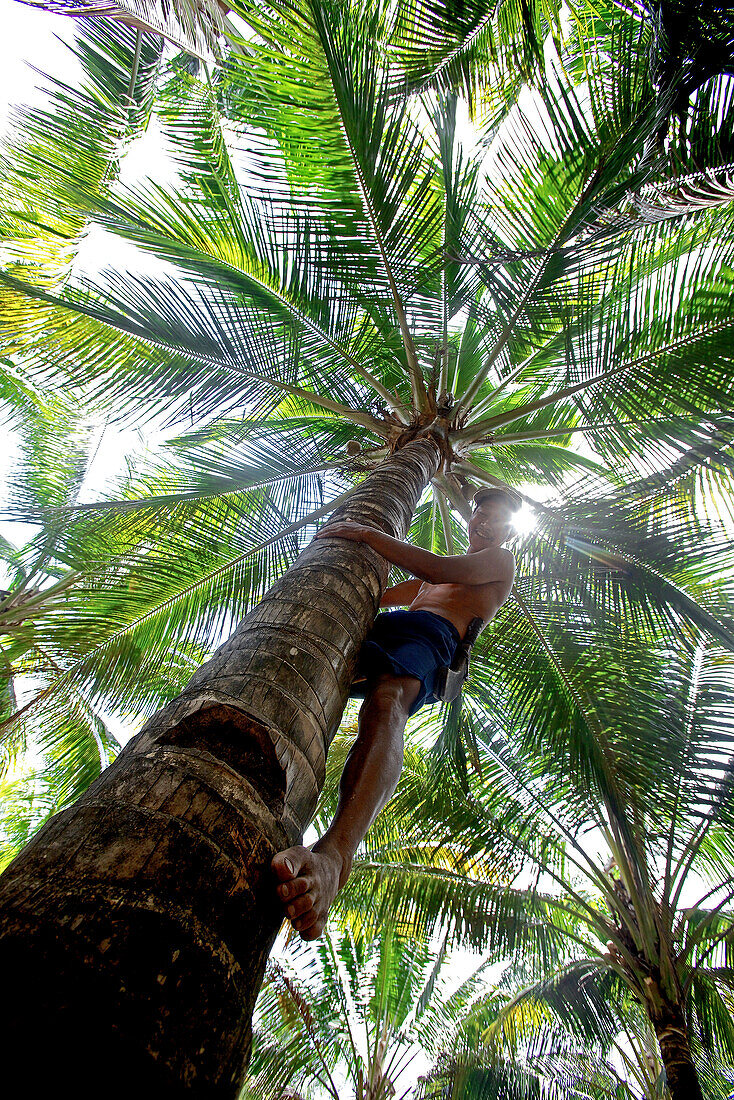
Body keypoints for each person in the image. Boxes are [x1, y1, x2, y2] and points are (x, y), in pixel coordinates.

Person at [271, 487, 520, 940]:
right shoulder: (433, 580)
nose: (484, 523)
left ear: (509, 531)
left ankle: (336, 855)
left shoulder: (500, 563)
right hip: (392, 627)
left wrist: (368, 533)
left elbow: (437, 568)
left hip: (432, 636)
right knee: (307, 664)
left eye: (496, 519)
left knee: (386, 706)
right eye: (480, 515)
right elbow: (379, 593)